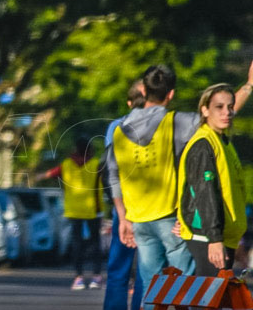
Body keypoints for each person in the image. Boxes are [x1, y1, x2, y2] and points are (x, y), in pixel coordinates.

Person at [107, 63, 253, 288]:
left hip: (138, 218)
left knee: (151, 285)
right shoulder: (175, 122)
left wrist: (122, 216)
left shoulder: (119, 129)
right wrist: (248, 86)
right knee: (186, 284)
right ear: (171, 93)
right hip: (169, 216)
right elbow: (219, 114)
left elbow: (114, 176)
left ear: (144, 91)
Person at [177, 84, 248, 276]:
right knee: (208, 299)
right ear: (205, 109)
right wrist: (214, 239)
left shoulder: (222, 141)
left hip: (223, 235)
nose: (227, 112)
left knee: (214, 299)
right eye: (219, 107)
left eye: (230, 106)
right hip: (207, 236)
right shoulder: (203, 144)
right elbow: (205, 193)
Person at [102, 80, 147, 310]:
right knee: (145, 271)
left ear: (129, 102)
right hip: (152, 208)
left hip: (124, 207)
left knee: (118, 270)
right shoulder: (164, 126)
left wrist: (120, 214)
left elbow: (112, 171)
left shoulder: (116, 127)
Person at [41, 137, 103, 290]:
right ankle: (96, 277)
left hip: (73, 209)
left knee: (77, 243)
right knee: (95, 243)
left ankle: (78, 277)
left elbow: (49, 174)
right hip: (93, 208)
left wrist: (36, 176)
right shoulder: (96, 164)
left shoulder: (67, 164)